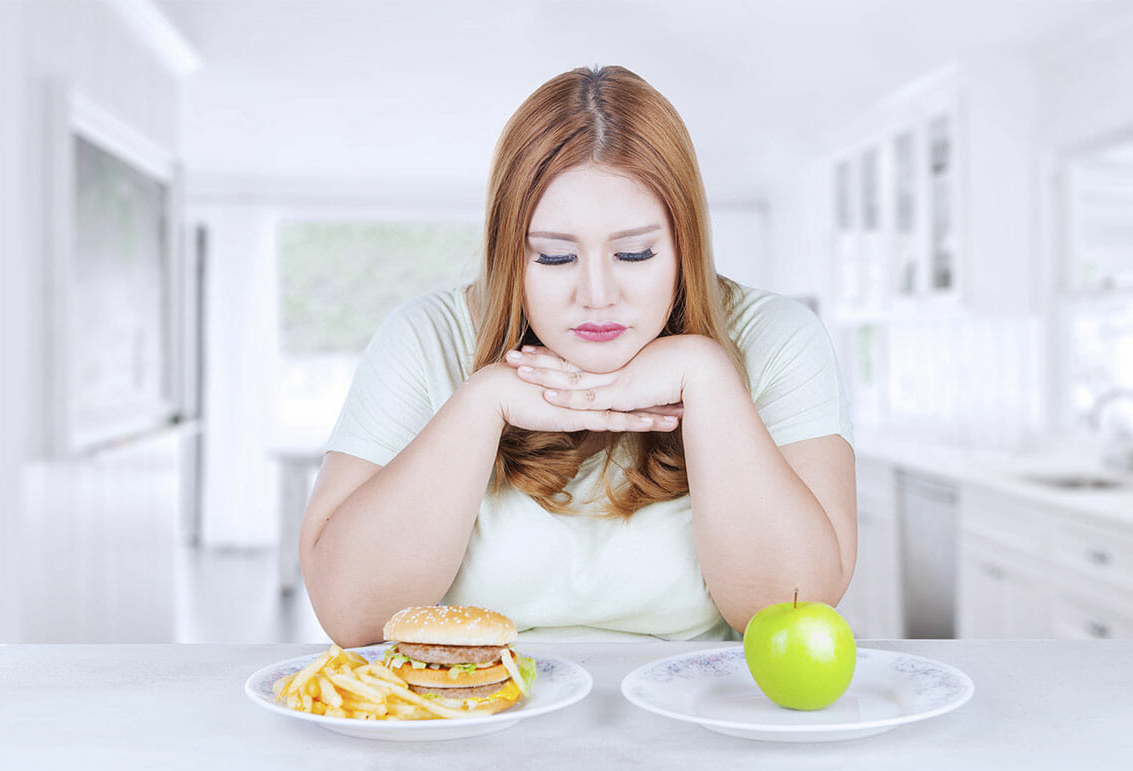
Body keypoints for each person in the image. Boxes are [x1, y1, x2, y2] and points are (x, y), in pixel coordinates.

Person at [299, 65, 857, 647]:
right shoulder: (424, 338)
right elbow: (351, 616)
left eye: (636, 254)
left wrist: (707, 376)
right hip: (473, 725)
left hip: (695, 723)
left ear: (683, 245)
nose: (596, 296)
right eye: (555, 258)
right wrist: (481, 403)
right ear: (508, 254)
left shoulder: (778, 338)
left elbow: (794, 610)